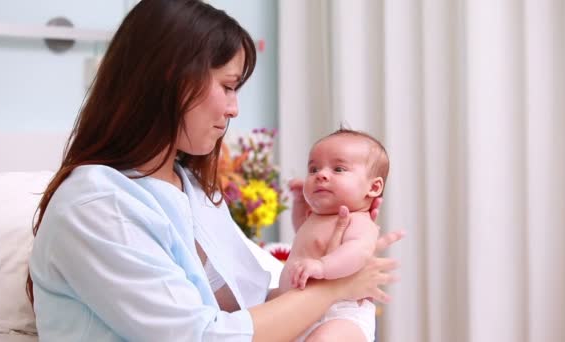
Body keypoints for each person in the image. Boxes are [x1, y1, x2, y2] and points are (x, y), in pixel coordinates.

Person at [27, 1, 403, 341]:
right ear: (173, 79)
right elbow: (204, 337)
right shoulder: (96, 206)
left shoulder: (188, 188)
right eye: (227, 86)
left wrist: (333, 257)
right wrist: (335, 289)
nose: (234, 108)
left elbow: (247, 307)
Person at [280, 129, 394, 342]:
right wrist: (298, 202)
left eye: (339, 169)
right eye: (313, 169)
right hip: (302, 310)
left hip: (342, 314)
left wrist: (322, 267)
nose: (321, 175)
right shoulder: (317, 217)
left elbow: (357, 251)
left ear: (374, 187)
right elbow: (304, 235)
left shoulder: (359, 220)